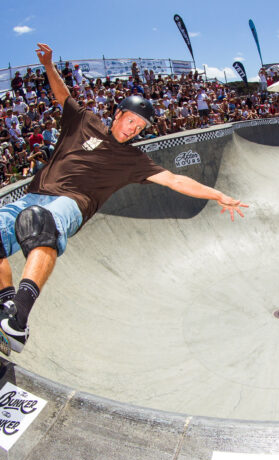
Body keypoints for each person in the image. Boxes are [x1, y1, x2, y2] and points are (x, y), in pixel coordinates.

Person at [0, 43, 248, 357]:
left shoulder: (134, 160)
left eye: (140, 128)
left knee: (38, 221)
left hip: (71, 204)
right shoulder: (85, 121)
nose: (133, 130)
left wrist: (218, 194)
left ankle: (19, 317)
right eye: (131, 121)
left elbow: (174, 179)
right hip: (35, 193)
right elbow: (62, 95)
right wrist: (49, 65)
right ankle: (6, 305)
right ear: (117, 114)